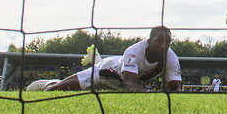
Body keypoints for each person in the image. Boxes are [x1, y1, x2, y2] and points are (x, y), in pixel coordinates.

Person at [30, 26, 182, 92]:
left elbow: (176, 86)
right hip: (102, 73)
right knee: (53, 91)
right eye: (160, 41)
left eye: (168, 42)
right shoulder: (133, 51)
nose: (164, 46)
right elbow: (129, 83)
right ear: (149, 41)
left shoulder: (171, 57)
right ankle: (49, 83)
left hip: (119, 85)